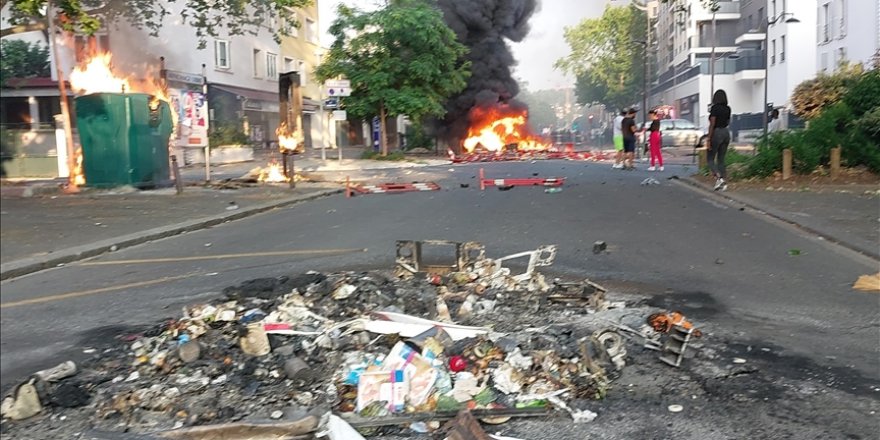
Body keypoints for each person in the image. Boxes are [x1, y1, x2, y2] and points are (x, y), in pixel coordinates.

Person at [707, 89, 732, 191]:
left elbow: (712, 123)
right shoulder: (728, 108)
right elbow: (728, 121)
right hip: (726, 132)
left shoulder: (714, 108)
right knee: (721, 159)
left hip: (717, 132)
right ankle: (723, 183)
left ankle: (719, 178)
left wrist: (709, 138)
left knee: (710, 158)